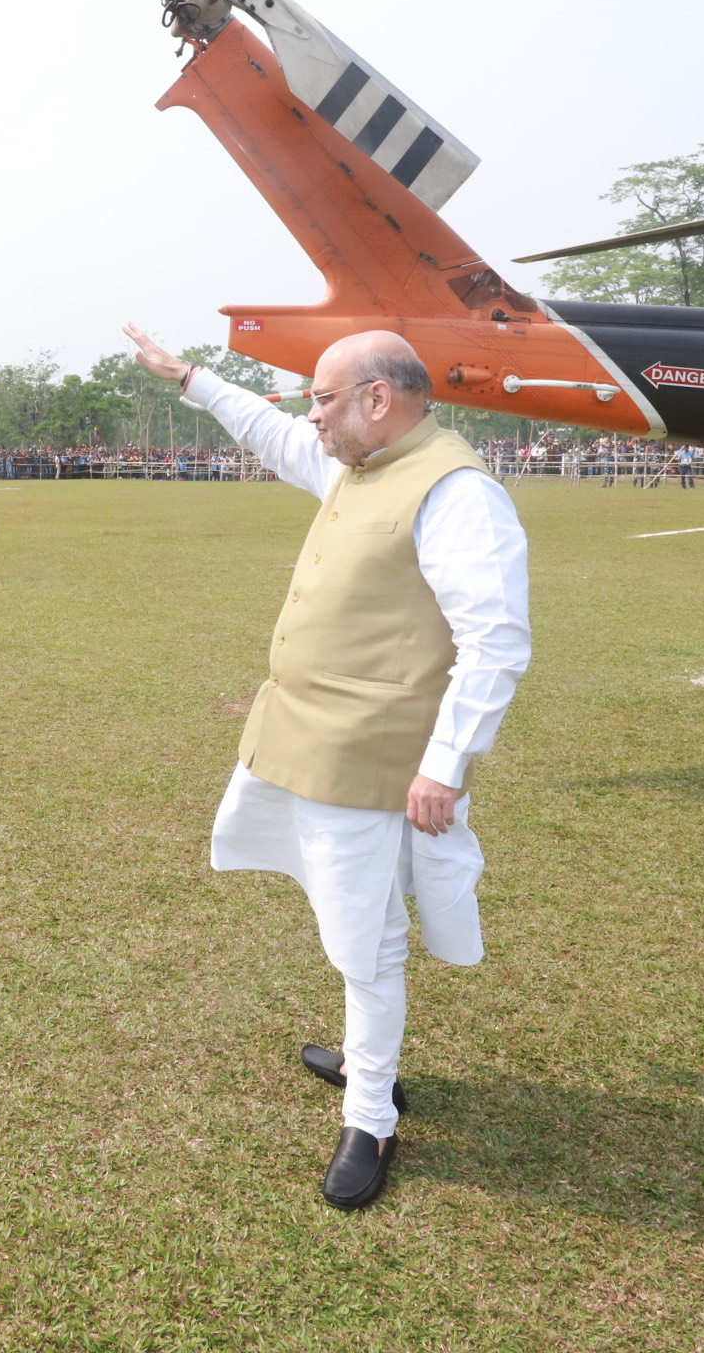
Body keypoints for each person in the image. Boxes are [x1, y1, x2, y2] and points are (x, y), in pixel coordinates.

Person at [125, 323, 531, 1212]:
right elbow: (270, 436)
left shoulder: (455, 491)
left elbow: (494, 640)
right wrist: (192, 378)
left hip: (368, 760)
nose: (309, 417)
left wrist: (446, 766)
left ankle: (371, 1112)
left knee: (366, 940)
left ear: (377, 400)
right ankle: (364, 1054)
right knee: (345, 913)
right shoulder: (361, 468)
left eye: (321, 398)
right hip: (301, 740)